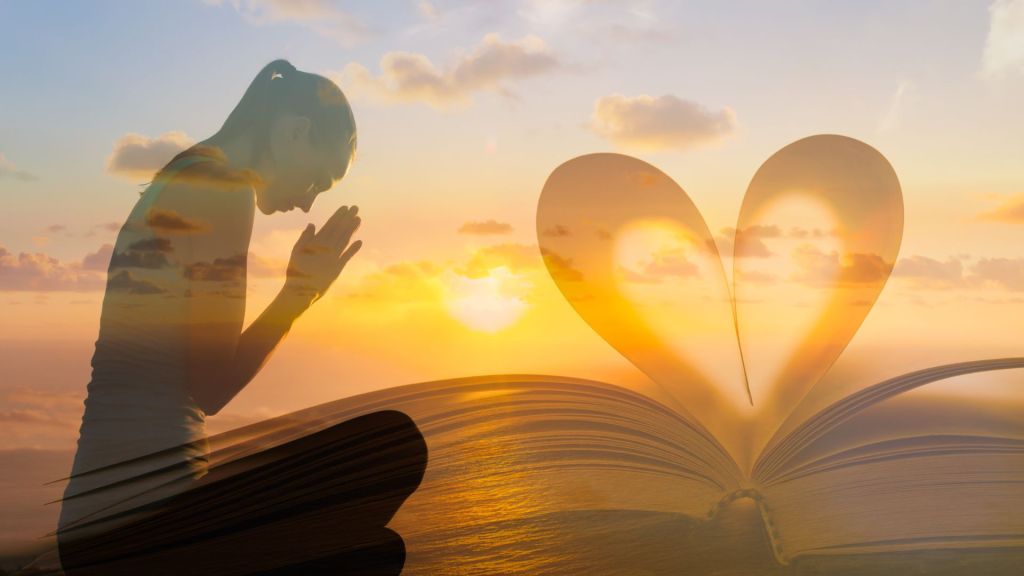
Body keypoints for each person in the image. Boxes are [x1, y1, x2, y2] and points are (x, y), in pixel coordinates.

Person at [55, 59, 427, 575]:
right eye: (318, 180)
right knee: (392, 447)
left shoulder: (187, 173)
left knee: (374, 549)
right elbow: (212, 388)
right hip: (140, 532)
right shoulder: (223, 190)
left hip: (95, 529)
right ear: (295, 133)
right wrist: (298, 295)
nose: (308, 202)